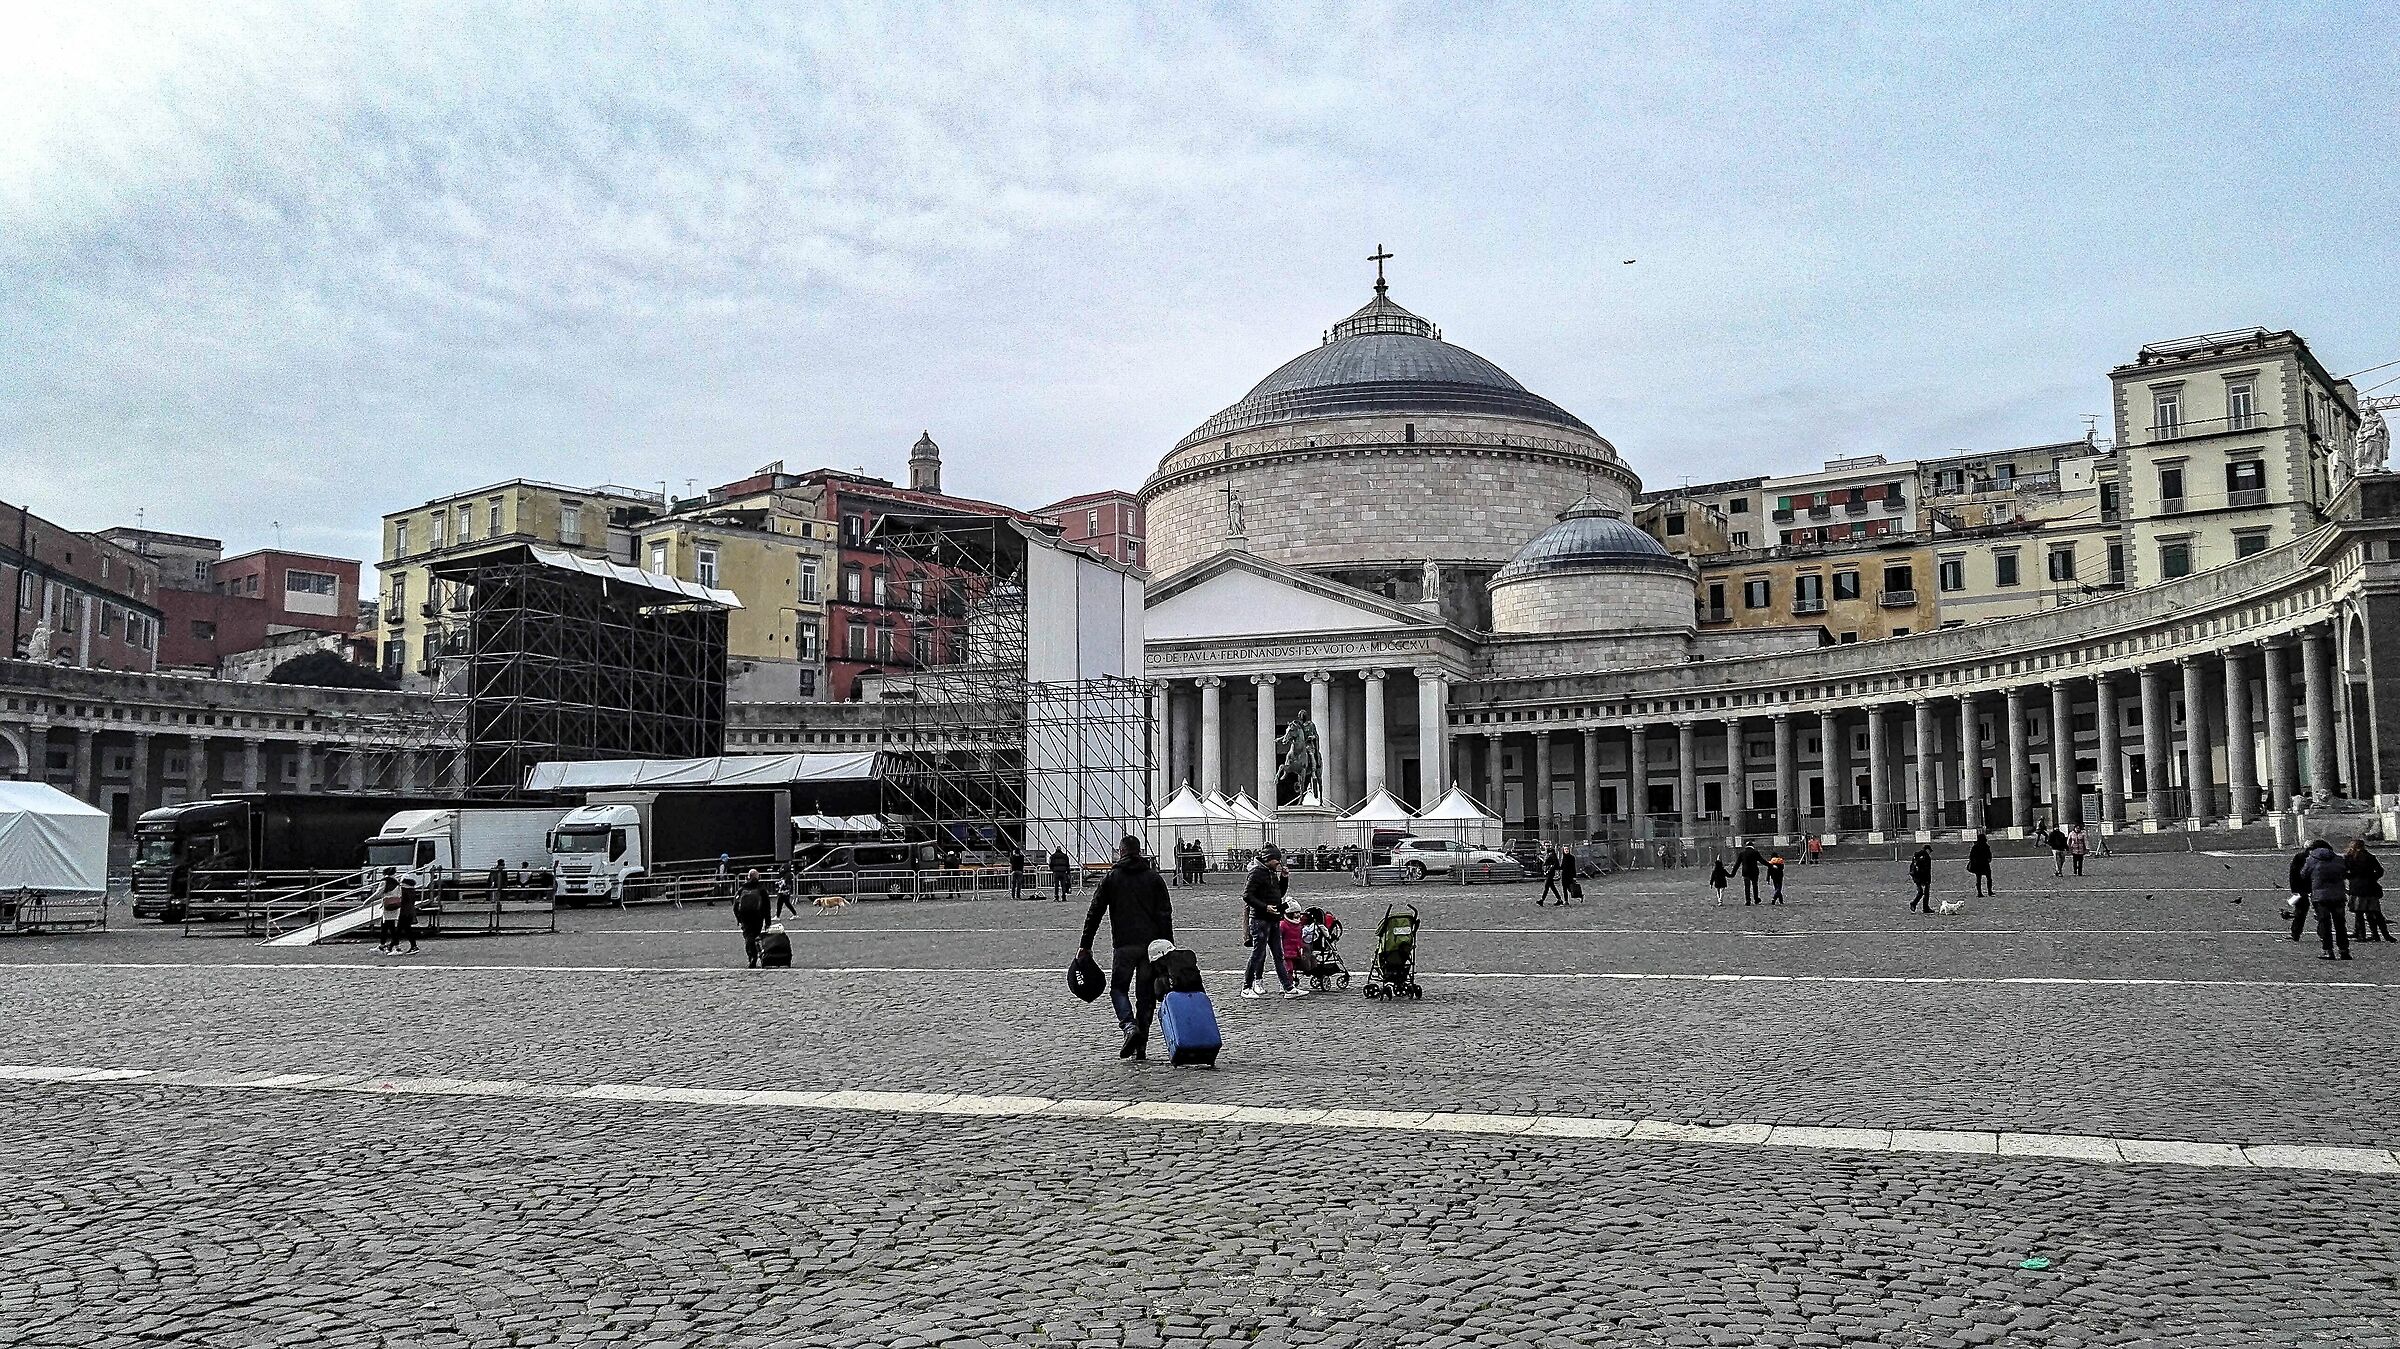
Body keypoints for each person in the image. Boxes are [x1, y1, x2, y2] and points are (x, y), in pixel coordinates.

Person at [1076, 836, 1175, 1060]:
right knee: (1145, 996)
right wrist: (1168, 947)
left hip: (1124, 945)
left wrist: (1085, 945)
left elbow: (1095, 912)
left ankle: (1129, 1027)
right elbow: (1165, 914)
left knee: (1118, 989)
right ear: (1139, 851)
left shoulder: (1112, 878)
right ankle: (1142, 1045)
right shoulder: (1153, 878)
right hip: (1151, 948)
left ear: (1121, 852)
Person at [1241, 845, 1305, 999]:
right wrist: (1265, 907)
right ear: (1268, 859)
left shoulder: (1271, 872)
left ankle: (1288, 988)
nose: (1279, 863)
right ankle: (1247, 987)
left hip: (1274, 919)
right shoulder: (1256, 873)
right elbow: (1247, 895)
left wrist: (1284, 878)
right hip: (1260, 920)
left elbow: (1279, 893)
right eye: (1277, 860)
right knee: (1258, 954)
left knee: (1278, 955)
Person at [2303, 838, 2351, 960]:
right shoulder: (2339, 859)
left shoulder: (2311, 860)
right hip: (2338, 895)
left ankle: (2328, 950)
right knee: (2340, 924)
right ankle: (2344, 950)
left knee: (2324, 923)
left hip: (2320, 897)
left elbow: (2304, 874)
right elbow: (2346, 872)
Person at [2347, 839, 2389, 943]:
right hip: (2370, 887)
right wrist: (2372, 878)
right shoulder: (2370, 857)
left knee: (2359, 912)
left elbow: (2344, 872)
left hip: (2357, 888)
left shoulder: (2349, 858)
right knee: (2375, 912)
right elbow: (2380, 871)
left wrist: (2352, 878)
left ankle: (2361, 935)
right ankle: (2381, 934)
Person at [733, 869, 772, 968]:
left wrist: (738, 918)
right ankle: (757, 954)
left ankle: (751, 956)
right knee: (755, 935)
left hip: (745, 916)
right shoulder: (761, 889)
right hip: (758, 916)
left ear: (748, 877)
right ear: (758, 877)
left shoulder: (742, 888)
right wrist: (768, 921)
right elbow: (767, 906)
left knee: (748, 936)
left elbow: (735, 905)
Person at [2288, 842, 2316, 940]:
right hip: (2314, 886)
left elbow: (2294, 874)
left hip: (2304, 887)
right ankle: (2324, 934)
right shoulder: (2318, 858)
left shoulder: (2300, 857)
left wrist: (2295, 889)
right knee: (2320, 911)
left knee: (2301, 910)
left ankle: (2295, 933)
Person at [373, 868, 403, 953]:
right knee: (386, 926)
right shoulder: (397, 882)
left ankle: (397, 948)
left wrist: (368, 900)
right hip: (395, 905)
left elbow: (378, 893)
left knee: (389, 927)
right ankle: (382, 945)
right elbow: (400, 894)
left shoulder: (384, 881)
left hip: (387, 905)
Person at [393, 877, 422, 955]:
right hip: (409, 912)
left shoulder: (404, 891)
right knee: (405, 930)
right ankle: (413, 946)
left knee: (400, 930)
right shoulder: (412, 891)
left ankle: (394, 947)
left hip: (404, 912)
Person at [1735, 841, 1763, 905]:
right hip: (1754, 872)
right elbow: (1762, 861)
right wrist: (1771, 865)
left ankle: (1748, 900)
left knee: (1747, 886)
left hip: (1745, 872)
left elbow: (1737, 864)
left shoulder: (1742, 853)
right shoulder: (1755, 852)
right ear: (1752, 846)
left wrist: (1732, 874)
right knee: (1755, 885)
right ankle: (1756, 899)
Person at [1967, 832, 1994, 897]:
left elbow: (1971, 856)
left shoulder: (1975, 847)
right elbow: (1989, 855)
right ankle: (1989, 891)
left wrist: (1973, 863)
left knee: (1978, 879)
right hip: (1985, 864)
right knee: (1988, 878)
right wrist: (1989, 859)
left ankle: (1979, 893)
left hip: (1977, 865)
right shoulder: (1986, 846)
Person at [1908, 846, 1934, 912]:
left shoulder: (1916, 856)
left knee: (1921, 892)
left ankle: (1915, 904)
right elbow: (1926, 870)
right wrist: (1927, 880)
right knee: (1925, 893)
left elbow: (1913, 867)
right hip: (1923, 877)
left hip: (1916, 877)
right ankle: (1924, 907)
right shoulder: (1926, 857)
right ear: (1927, 850)